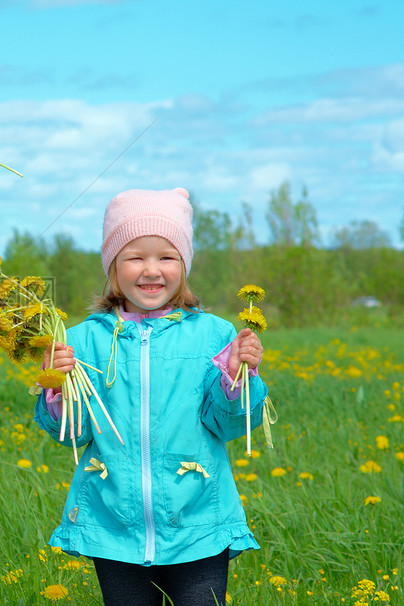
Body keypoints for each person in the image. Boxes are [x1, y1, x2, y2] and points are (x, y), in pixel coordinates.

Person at [35, 188, 266, 605]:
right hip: (115, 529)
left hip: (199, 525)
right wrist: (58, 386)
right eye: (135, 256)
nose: (151, 270)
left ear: (184, 264)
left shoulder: (216, 335)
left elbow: (230, 425)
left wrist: (237, 377)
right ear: (112, 267)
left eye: (166, 256)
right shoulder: (82, 340)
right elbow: (70, 435)